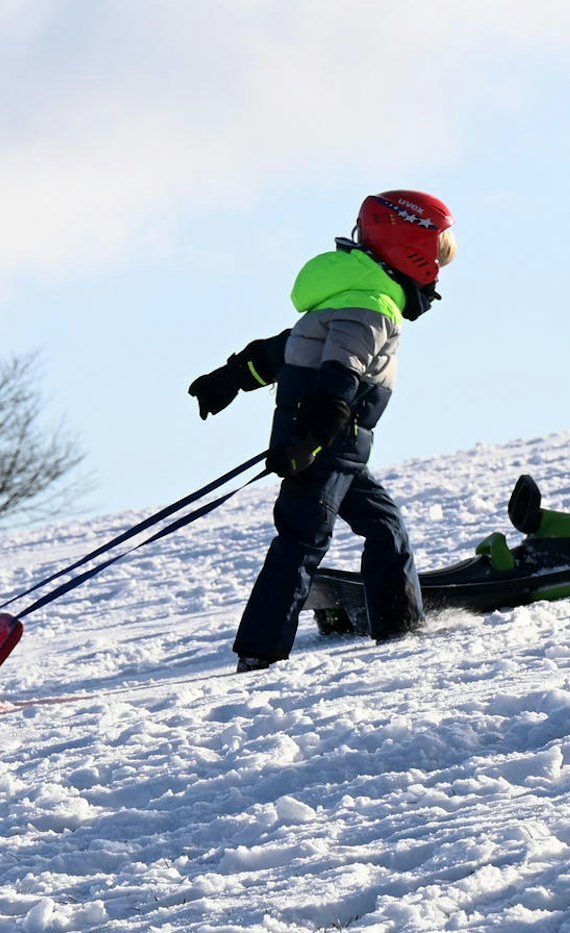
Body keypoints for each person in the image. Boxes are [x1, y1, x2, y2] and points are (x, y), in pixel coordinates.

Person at [188, 191, 456, 670]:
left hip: (337, 449)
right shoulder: (371, 305)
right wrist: (311, 439)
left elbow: (286, 350)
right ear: (411, 248)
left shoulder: (352, 296)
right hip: (320, 444)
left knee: (384, 527)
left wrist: (229, 378)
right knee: (303, 539)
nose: (439, 271)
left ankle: (399, 625)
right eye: (439, 256)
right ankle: (261, 652)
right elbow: (338, 374)